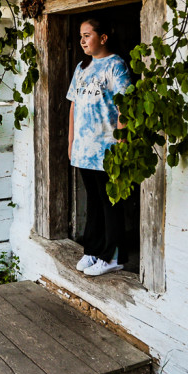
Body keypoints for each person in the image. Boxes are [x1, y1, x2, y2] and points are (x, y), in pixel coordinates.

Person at [67, 18, 132, 277]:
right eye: (80, 36)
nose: (82, 40)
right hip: (84, 149)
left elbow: (124, 107)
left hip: (107, 148)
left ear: (103, 38)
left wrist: (122, 142)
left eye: (87, 35)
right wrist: (71, 142)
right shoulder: (82, 68)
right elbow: (73, 105)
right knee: (93, 202)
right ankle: (92, 250)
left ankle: (113, 256)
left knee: (109, 203)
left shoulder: (116, 65)